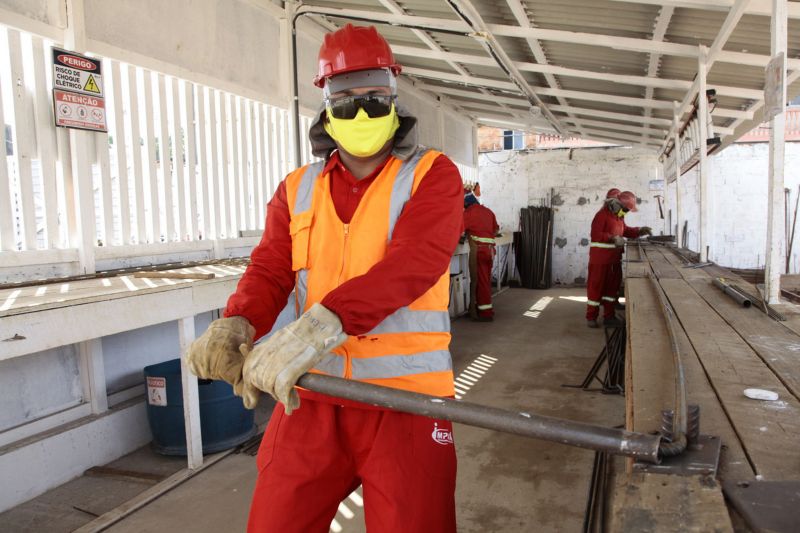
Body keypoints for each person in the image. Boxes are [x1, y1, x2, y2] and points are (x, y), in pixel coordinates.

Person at [185, 23, 463, 532]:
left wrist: (323, 322)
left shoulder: (432, 174)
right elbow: (270, 267)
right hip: (310, 394)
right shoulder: (297, 187)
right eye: (346, 98)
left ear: (395, 97)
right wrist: (239, 323)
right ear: (325, 104)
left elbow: (414, 262)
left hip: (406, 401)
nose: (362, 112)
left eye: (375, 97)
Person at [585, 190, 651, 328]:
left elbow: (624, 230)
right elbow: (595, 234)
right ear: (617, 204)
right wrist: (612, 238)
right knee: (596, 288)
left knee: (612, 289)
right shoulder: (601, 215)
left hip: (614, 260)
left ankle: (609, 316)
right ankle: (591, 317)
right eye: (626, 209)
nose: (626, 212)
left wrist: (639, 231)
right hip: (600, 261)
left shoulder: (618, 217)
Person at [463, 183, 499, 321]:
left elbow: (458, 227)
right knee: (484, 280)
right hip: (490, 251)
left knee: (479, 281)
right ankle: (477, 308)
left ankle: (485, 313)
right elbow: (496, 230)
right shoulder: (489, 211)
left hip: (479, 251)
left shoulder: (469, 212)